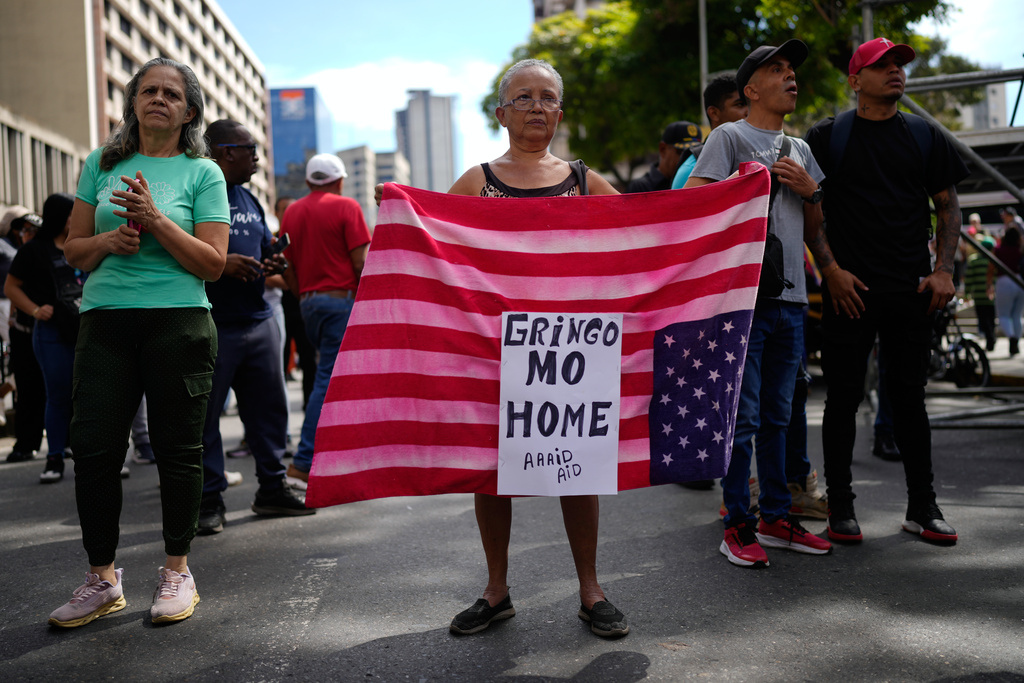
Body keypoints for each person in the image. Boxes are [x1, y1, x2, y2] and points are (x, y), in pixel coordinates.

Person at [426, 58, 627, 638]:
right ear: (501, 112)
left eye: (546, 98)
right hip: (496, 349)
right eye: (523, 97)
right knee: (490, 472)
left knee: (576, 466)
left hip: (570, 353)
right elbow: (435, 249)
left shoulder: (586, 180)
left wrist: (723, 200)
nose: (536, 107)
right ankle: (496, 590)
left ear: (560, 113)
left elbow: (644, 232)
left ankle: (591, 591)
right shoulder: (475, 181)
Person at [48, 57, 230, 628]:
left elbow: (215, 264)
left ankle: (177, 570)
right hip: (105, 322)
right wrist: (107, 241)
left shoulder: (204, 173)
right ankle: (102, 579)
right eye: (147, 90)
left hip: (178, 321)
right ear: (132, 102)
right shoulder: (101, 164)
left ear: (188, 111)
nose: (158, 98)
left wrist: (154, 219)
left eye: (171, 93)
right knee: (95, 451)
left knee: (178, 451)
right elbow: (73, 250)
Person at [804, 37, 969, 545]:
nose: (895, 71)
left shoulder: (924, 134)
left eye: (899, 63)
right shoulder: (828, 136)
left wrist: (943, 271)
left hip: (910, 289)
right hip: (848, 290)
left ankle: (923, 506)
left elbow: (947, 205)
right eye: (882, 65)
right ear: (856, 80)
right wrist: (829, 270)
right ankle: (842, 507)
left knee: (910, 399)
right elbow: (811, 209)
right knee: (843, 399)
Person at [684, 40, 833, 567]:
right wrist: (752, 184)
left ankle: (775, 517)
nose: (790, 77)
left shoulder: (802, 150)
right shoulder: (730, 135)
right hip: (744, 301)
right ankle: (737, 524)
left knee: (779, 416)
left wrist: (811, 191)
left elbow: (815, 230)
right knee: (742, 417)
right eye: (777, 69)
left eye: (793, 69)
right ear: (751, 89)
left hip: (792, 299)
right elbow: (697, 201)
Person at [196, 119, 313, 535]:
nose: (258, 160)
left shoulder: (248, 198)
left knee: (269, 412)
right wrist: (221, 265)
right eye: (251, 151)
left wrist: (272, 260)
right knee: (206, 419)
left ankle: (272, 487)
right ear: (227, 152)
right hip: (213, 324)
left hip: (259, 319)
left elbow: (262, 245)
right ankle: (209, 499)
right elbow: (179, 252)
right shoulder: (197, 190)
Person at [279, 154, 371, 490]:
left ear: (308, 182)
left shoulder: (292, 211)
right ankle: (303, 463)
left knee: (333, 378)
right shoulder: (347, 207)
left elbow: (284, 263)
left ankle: (336, 456)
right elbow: (361, 263)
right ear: (340, 181)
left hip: (309, 305)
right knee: (327, 380)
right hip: (340, 302)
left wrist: (301, 293)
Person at [4, 193, 83, 483]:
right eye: (72, 214)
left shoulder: (81, 245)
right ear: (60, 218)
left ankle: (92, 457)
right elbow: (11, 288)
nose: (77, 218)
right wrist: (35, 310)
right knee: (58, 396)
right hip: (51, 333)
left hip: (84, 330)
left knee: (86, 396)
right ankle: (54, 460)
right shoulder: (33, 250)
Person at [0, 207, 46, 463]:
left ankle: (60, 444)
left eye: (30, 230)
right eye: (22, 230)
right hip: (24, 328)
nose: (25, 234)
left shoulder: (46, 251)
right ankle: (27, 442)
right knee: (27, 386)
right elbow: (11, 289)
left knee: (54, 387)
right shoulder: (20, 253)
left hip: (48, 328)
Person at [672, 74, 749, 189]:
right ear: (714, 113)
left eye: (750, 104)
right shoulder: (691, 168)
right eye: (740, 105)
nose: (748, 111)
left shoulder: (760, 153)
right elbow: (680, 205)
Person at [626, 121, 702, 193]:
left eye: (692, 154)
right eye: (682, 153)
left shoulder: (696, 182)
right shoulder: (640, 188)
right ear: (663, 149)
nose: (688, 160)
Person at [987, 225, 1023, 356]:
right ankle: (1015, 340)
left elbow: (991, 269)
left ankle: (1012, 337)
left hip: (1004, 282)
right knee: (1016, 315)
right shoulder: (1020, 249)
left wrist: (989, 284)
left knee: (1003, 315)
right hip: (1019, 281)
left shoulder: (998, 250)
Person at [964, 232, 996, 351]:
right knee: (991, 319)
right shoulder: (993, 261)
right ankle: (991, 338)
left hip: (978, 295)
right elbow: (996, 277)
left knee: (983, 319)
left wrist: (967, 293)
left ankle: (989, 339)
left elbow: (969, 279)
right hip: (990, 296)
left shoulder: (973, 260)